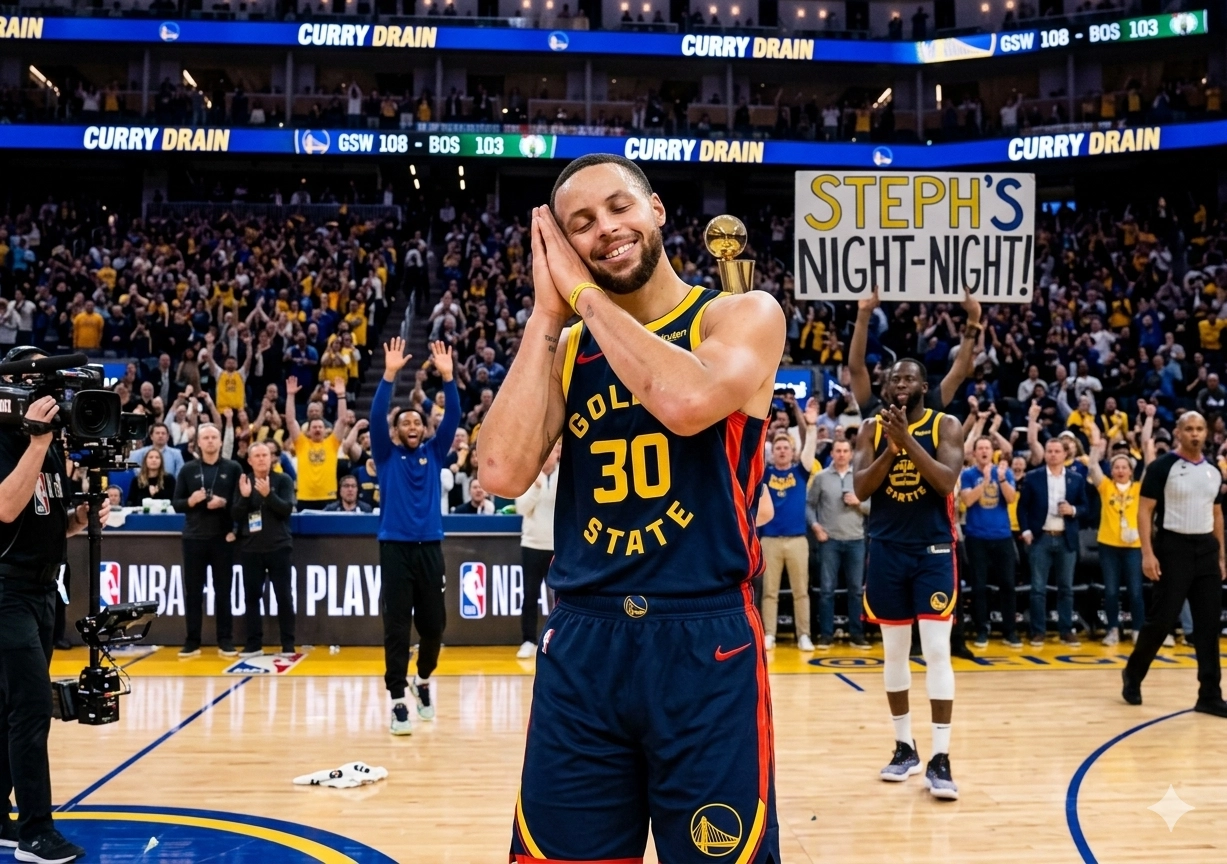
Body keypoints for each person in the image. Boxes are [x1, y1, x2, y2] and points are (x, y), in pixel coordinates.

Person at [479, 155, 784, 863]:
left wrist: (584, 297)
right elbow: (500, 472)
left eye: (619, 207)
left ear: (656, 211)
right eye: (581, 224)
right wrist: (546, 314)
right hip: (584, 640)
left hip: (703, 637)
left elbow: (686, 402)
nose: (606, 229)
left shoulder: (739, 314)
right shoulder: (568, 346)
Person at [0, 345, 111, 863]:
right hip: (7, 591)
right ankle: (36, 833)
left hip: (45, 589)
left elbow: (48, 521)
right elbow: (5, 508)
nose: (53, 397)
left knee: (10, 708)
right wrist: (38, 443)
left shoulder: (47, 447)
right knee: (31, 709)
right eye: (42, 385)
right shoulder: (12, 440)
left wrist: (81, 518)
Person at [853, 358, 964, 800]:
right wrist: (891, 448)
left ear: (923, 385)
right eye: (895, 377)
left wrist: (907, 442)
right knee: (894, 655)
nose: (901, 383)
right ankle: (905, 748)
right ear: (886, 385)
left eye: (909, 378)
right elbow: (861, 489)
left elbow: (945, 482)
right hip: (886, 551)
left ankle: (941, 757)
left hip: (932, 551)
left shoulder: (946, 425)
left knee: (936, 652)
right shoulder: (870, 429)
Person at [370, 338, 459, 736]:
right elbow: (376, 414)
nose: (411, 426)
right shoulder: (386, 454)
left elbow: (453, 417)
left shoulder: (435, 453)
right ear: (395, 431)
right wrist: (389, 375)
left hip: (430, 549)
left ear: (424, 429)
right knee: (396, 629)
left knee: (434, 626)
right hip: (394, 549)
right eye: (404, 422)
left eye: (416, 423)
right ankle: (396, 700)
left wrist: (449, 378)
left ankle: (421, 680)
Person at [1123, 412, 1227, 716]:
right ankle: (1133, 674)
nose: (1195, 434)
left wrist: (1221, 556)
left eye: (1200, 429)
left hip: (1206, 549)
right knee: (1162, 620)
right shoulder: (1161, 467)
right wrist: (1147, 553)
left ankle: (1209, 694)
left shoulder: (1213, 471)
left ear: (1206, 433)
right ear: (1178, 433)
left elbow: (1217, 514)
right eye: (1189, 429)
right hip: (1173, 547)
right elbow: (1145, 511)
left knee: (1208, 625)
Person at [173, 423, 241, 658]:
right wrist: (190, 501)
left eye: (214, 437)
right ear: (198, 443)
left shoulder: (233, 468)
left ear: (221, 442)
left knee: (224, 591)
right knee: (193, 592)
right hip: (194, 538)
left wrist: (225, 503)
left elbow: (241, 502)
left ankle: (225, 640)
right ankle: (192, 641)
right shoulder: (188, 469)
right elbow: (176, 503)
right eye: (206, 438)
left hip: (223, 537)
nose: (210, 441)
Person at [1018, 438, 1090, 648]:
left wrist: (1072, 510)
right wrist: (1026, 530)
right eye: (1049, 451)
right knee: (1038, 589)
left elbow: (1086, 507)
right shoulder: (1033, 477)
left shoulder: (1076, 478)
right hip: (1041, 537)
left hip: (1066, 538)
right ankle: (1038, 631)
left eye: (1057, 451)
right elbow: (1022, 507)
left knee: (1066, 588)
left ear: (1065, 454)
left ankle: (1066, 631)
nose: (1053, 454)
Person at [759, 400, 817, 651]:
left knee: (800, 591)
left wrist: (811, 427)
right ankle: (769, 634)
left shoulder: (800, 472)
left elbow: (810, 451)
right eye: (778, 448)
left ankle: (804, 635)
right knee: (769, 592)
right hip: (769, 540)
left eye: (786, 447)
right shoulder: (764, 474)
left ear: (792, 451)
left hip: (797, 539)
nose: (782, 451)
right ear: (772, 452)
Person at [1087, 421, 1148, 646]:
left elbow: (1150, 467)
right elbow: (1092, 466)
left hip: (1133, 547)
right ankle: (1112, 629)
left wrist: (1146, 441)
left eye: (1124, 467)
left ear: (1131, 471)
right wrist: (1095, 445)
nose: (1120, 471)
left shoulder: (1139, 489)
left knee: (1135, 591)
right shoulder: (1106, 487)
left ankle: (1137, 629)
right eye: (1116, 467)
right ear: (1111, 471)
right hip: (1109, 545)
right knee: (1111, 591)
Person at [232, 442, 296, 657]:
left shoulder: (283, 480)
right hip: (251, 548)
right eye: (257, 456)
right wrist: (244, 497)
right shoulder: (243, 482)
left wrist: (269, 495)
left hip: (279, 547)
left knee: (284, 596)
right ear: (250, 460)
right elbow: (235, 515)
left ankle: (288, 644)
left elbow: (286, 510)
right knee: (251, 597)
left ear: (271, 458)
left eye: (265, 455)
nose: (261, 459)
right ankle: (253, 644)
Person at [807, 437, 871, 648]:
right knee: (826, 591)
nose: (842, 454)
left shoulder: (861, 477)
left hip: (856, 540)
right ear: (831, 453)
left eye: (845, 451)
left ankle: (857, 635)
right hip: (829, 541)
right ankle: (826, 635)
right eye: (838, 451)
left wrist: (859, 503)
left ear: (851, 454)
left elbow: (872, 507)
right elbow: (809, 505)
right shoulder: (821, 477)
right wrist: (816, 526)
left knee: (856, 591)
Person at [960, 437, 1020, 649]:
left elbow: (1011, 499)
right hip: (976, 537)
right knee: (979, 586)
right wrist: (985, 482)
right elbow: (967, 500)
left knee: (1008, 585)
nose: (984, 451)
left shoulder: (1004, 472)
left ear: (992, 451)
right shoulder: (968, 475)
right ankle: (981, 630)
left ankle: (1010, 631)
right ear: (974, 453)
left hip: (1002, 536)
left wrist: (1001, 479)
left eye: (987, 448)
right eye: (980, 448)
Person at [515, 441, 560, 659]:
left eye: (553, 451)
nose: (549, 455)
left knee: (560, 598)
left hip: (558, 547)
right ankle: (528, 640)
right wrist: (536, 487)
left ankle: (558, 641)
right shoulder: (528, 475)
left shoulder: (566, 474)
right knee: (530, 595)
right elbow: (521, 508)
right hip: (532, 544)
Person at [285, 376, 351, 511]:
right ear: (308, 431)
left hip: (328, 497)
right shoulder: (301, 443)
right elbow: (290, 421)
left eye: (320, 427)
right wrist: (290, 395)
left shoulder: (332, 443)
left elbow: (342, 420)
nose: (317, 429)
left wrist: (341, 396)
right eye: (314, 427)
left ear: (325, 430)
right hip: (304, 498)